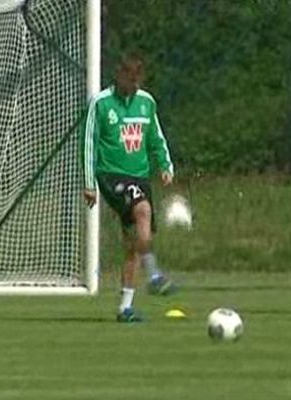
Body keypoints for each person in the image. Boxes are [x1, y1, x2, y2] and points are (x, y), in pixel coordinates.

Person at [82, 53, 175, 322]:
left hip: (140, 176)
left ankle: (125, 308)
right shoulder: (100, 103)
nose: (133, 85)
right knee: (143, 210)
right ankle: (155, 274)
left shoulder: (146, 103)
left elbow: (156, 137)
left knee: (132, 244)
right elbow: (88, 143)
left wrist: (165, 165)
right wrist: (89, 182)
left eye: (137, 80)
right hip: (111, 175)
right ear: (119, 75)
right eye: (128, 79)